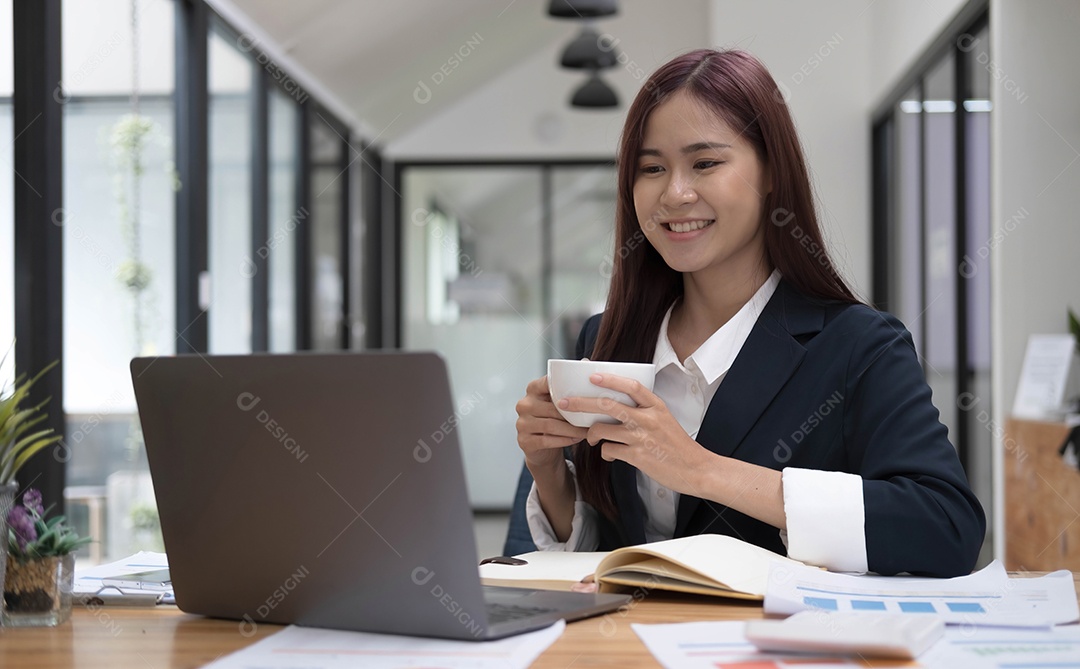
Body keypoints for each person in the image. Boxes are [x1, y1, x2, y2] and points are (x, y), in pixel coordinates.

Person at [514, 49, 985, 578]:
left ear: (770, 174)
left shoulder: (859, 346)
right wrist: (548, 471)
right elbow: (591, 560)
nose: (674, 193)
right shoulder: (606, 340)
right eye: (651, 168)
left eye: (705, 163)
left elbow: (946, 529)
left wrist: (704, 471)